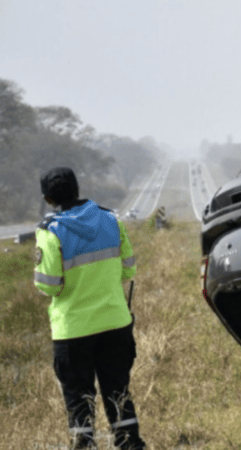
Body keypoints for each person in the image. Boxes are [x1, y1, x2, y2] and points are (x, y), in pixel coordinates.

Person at [34, 167, 146, 450]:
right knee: (117, 392)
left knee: (78, 398)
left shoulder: (50, 232)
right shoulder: (111, 220)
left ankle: (84, 445)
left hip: (72, 330)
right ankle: (130, 443)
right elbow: (129, 267)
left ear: (48, 199)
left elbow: (49, 285)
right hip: (115, 322)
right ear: (77, 188)